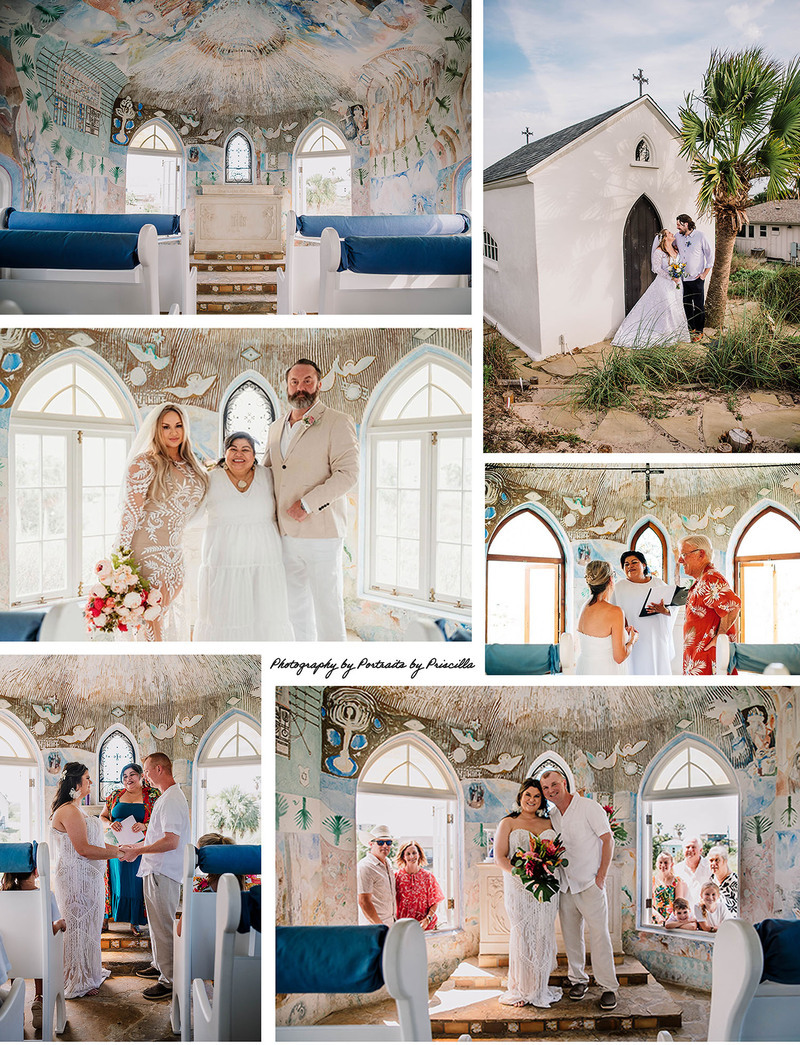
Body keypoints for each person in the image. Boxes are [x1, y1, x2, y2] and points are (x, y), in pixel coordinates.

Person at [265, 359, 359, 641]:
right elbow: (268, 471)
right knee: (295, 608)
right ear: (287, 386)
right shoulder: (275, 427)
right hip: (284, 533)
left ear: (319, 384)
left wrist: (307, 504)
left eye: (307, 381)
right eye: (294, 382)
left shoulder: (337, 422)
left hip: (322, 534)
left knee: (327, 607)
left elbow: (348, 474)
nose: (300, 387)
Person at [118, 403, 208, 641]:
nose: (173, 432)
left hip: (174, 554)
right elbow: (130, 514)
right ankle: (156, 664)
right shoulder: (144, 463)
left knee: (159, 616)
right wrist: (119, 561)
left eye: (178, 426)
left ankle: (154, 661)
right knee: (152, 619)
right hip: (147, 553)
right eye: (166, 427)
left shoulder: (193, 466)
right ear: (156, 429)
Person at [194, 430, 293, 641]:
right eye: (233, 449)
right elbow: (193, 514)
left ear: (254, 455)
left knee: (265, 611)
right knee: (225, 612)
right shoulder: (209, 479)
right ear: (225, 453)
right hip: (224, 559)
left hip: (264, 558)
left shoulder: (269, 476)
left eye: (245, 449)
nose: (239, 454)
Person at [540, 770, 619, 1012]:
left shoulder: (588, 807)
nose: (551, 790)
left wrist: (601, 876)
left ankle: (608, 987)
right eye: (546, 788)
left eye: (554, 784)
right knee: (571, 936)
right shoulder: (553, 815)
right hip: (565, 885)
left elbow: (608, 839)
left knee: (600, 935)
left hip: (589, 884)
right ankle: (578, 980)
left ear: (564, 783)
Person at [119, 753, 190, 1001]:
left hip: (163, 871)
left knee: (164, 927)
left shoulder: (171, 799)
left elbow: (171, 841)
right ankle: (160, 965)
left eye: (147, 771)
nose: (145, 776)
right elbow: (157, 836)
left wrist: (137, 851)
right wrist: (135, 847)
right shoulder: (166, 797)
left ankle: (169, 980)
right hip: (155, 869)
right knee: (156, 926)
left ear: (159, 769)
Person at [50, 762, 120, 998]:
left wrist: (119, 848)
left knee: (89, 926)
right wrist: (118, 853)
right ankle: (77, 977)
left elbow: (95, 843)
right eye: (87, 778)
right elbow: (83, 849)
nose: (91, 782)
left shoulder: (77, 809)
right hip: (75, 880)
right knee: (77, 926)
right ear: (76, 782)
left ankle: (88, 972)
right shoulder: (68, 811)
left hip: (87, 878)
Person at [494, 778, 562, 1008]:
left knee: (542, 933)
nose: (532, 800)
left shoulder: (550, 822)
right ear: (520, 797)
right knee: (523, 934)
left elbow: (558, 852)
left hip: (546, 887)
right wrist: (523, 875)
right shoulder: (508, 822)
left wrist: (545, 869)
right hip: (519, 887)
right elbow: (500, 858)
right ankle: (522, 989)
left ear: (542, 800)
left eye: (537, 796)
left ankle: (539, 988)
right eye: (528, 795)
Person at [99, 763, 160, 936]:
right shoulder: (115, 795)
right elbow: (102, 816)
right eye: (124, 776)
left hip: (139, 847)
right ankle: (105, 918)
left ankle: (135, 921)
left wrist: (145, 825)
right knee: (114, 882)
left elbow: (160, 820)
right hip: (115, 846)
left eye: (132, 774)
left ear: (141, 776)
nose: (128, 779)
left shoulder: (153, 795)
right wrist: (110, 824)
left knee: (135, 883)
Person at [2, 867, 66, 1029]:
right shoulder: (46, 895)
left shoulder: (3, 895)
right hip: (38, 959)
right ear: (36, 871)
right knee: (41, 947)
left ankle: (16, 1005)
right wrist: (59, 924)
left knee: (16, 949)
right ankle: (39, 998)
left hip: (12, 960)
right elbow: (49, 930)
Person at [612, 229, 690, 348]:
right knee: (668, 307)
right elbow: (656, 269)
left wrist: (678, 275)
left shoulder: (675, 249)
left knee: (676, 306)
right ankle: (666, 334)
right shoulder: (659, 252)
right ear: (664, 238)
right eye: (669, 233)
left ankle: (676, 333)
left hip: (676, 284)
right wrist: (671, 277)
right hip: (664, 284)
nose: (672, 234)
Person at [679, 536, 741, 675]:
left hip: (709, 659)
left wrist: (720, 636)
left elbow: (733, 606)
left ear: (701, 554)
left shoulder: (710, 578)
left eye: (684, 555)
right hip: (697, 658)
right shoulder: (701, 579)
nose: (680, 560)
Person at [612, 551, 678, 675]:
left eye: (634, 562)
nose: (630, 566)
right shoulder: (619, 587)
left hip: (656, 636)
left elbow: (673, 605)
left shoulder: (657, 583)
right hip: (632, 637)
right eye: (626, 564)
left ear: (644, 565)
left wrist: (664, 610)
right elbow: (611, 611)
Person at [576, 560, 637, 675]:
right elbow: (619, 657)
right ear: (610, 580)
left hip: (585, 668)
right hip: (605, 670)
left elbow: (598, 635)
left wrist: (622, 633)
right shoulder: (615, 612)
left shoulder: (585, 606)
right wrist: (632, 640)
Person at [675, 214, 714, 342]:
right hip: (683, 279)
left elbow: (710, 256)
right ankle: (690, 329)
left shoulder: (700, 236)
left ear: (686, 224)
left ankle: (699, 331)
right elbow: (671, 245)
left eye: (679, 225)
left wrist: (704, 274)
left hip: (697, 279)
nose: (677, 227)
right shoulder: (677, 237)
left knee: (698, 306)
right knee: (686, 305)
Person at [394, 841, 444, 931]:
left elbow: (435, 901)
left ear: (419, 854)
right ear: (403, 857)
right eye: (408, 854)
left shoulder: (428, 876)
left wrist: (428, 919)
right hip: (403, 927)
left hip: (424, 926)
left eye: (414, 853)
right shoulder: (396, 876)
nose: (411, 856)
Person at [357, 825, 397, 926]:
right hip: (374, 927)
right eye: (380, 842)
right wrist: (380, 926)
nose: (385, 846)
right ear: (371, 844)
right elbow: (363, 901)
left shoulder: (388, 863)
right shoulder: (365, 866)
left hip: (390, 924)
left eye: (388, 842)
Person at [673, 837, 712, 907]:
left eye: (693, 847)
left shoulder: (710, 867)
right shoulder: (676, 869)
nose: (690, 850)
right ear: (683, 850)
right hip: (684, 912)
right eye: (687, 847)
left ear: (700, 850)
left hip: (705, 911)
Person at [650, 851, 686, 925]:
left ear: (671, 864)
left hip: (672, 920)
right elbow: (649, 903)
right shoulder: (652, 880)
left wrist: (670, 920)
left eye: (666, 862)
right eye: (660, 862)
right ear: (656, 864)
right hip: (656, 919)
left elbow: (679, 903)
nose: (663, 865)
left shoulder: (676, 881)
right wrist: (658, 916)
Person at [708, 846, 738, 914]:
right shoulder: (711, 880)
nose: (713, 864)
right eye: (711, 860)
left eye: (717, 860)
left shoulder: (735, 882)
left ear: (725, 861)